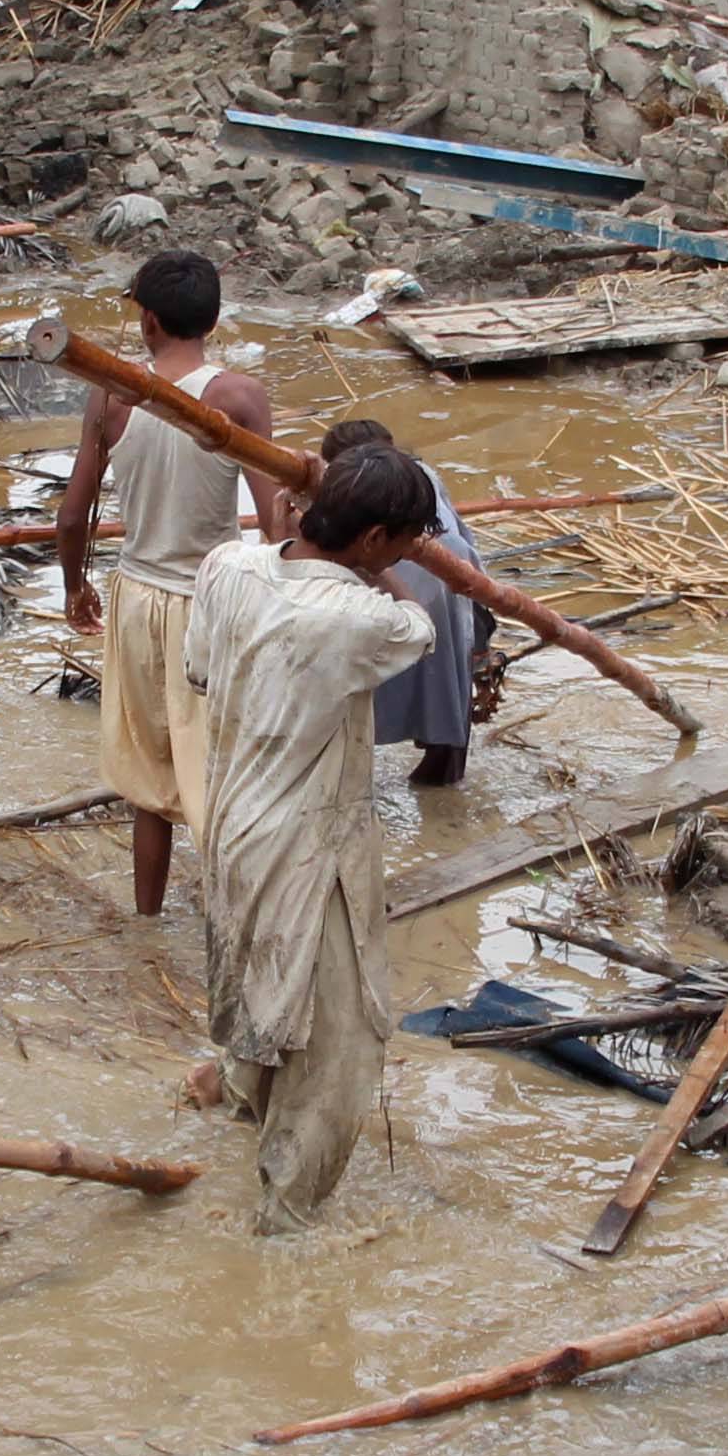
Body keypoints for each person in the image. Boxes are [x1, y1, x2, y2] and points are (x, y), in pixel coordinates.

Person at [184, 444, 443, 1229]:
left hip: (230, 823)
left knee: (268, 990)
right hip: (307, 845)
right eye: (403, 541)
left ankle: (241, 1114)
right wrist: (384, 568)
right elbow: (421, 626)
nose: (407, 555)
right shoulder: (360, 615)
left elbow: (200, 671)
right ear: (372, 544)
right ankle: (287, 1220)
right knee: (336, 1039)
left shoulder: (228, 566)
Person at [48, 250, 285, 911]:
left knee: (148, 777)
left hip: (135, 598)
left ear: (148, 322)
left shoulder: (110, 395)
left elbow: (72, 516)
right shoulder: (237, 396)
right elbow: (272, 523)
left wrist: (74, 589)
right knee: (220, 770)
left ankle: (146, 920)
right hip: (212, 596)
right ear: (211, 319)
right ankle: (239, 925)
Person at [316, 418, 485, 788]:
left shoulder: (349, 497)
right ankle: (441, 784)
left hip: (422, 583)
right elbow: (466, 543)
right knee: (444, 688)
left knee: (361, 691)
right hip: (445, 585)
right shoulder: (421, 476)